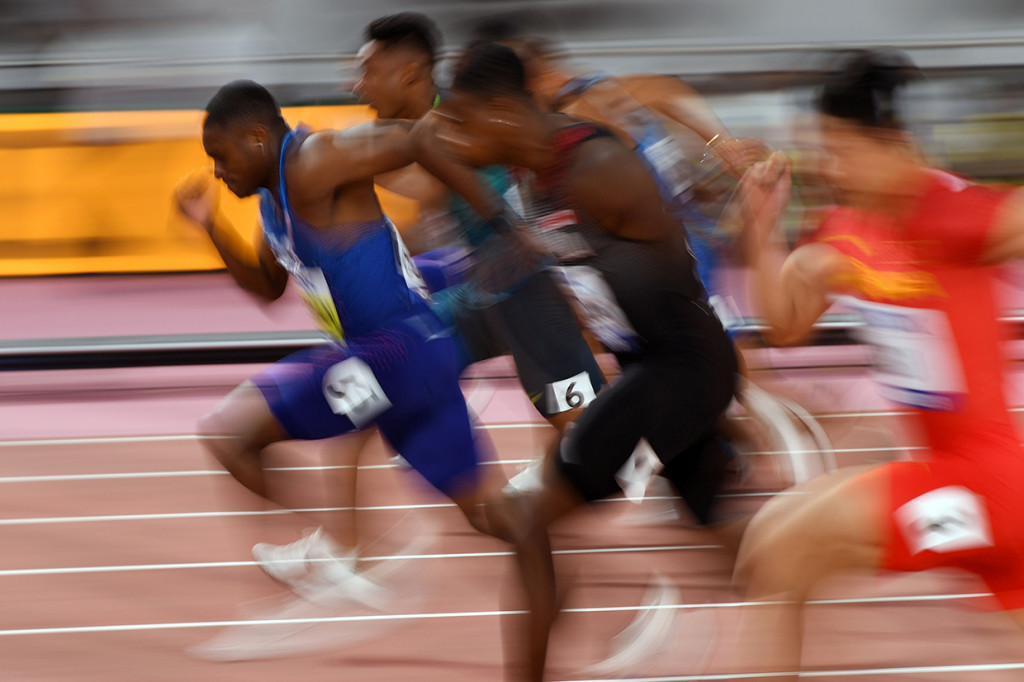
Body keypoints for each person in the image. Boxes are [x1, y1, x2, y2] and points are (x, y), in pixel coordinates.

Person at [251, 12, 610, 591]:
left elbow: (428, 184)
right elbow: (423, 219)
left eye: (367, 71)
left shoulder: (452, 126)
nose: (356, 84)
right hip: (481, 295)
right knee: (370, 382)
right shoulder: (421, 130)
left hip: (530, 296)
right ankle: (343, 551)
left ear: (409, 72)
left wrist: (314, 167)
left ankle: (682, 454)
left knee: (594, 433)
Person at [434, 42, 740, 681]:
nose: (453, 141)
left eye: (460, 123)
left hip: (678, 369)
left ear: (498, 113)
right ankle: (788, 572)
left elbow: (671, 267)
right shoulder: (530, 177)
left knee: (528, 514)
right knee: (731, 541)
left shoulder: (595, 165)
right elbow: (561, 253)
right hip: (655, 369)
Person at [730, 50, 1024, 679]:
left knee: (784, 546)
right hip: (955, 484)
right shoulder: (846, 230)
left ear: (894, 144)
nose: (827, 168)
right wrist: (762, 229)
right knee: (776, 533)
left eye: (839, 150)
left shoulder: (956, 212)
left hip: (987, 488)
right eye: (820, 149)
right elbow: (784, 322)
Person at [174, 80, 510, 603]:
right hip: (412, 358)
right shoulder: (273, 203)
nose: (218, 170)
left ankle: (346, 548)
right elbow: (268, 288)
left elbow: (419, 139)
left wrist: (502, 223)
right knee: (491, 512)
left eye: (220, 155)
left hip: (394, 351)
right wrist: (211, 226)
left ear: (258, 137)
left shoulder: (316, 158)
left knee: (230, 436)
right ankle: (628, 617)